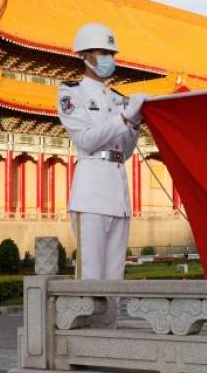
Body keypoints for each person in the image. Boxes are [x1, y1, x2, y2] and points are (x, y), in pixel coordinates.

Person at [57, 22, 147, 292]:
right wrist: (124, 117)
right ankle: (88, 334)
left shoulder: (116, 98)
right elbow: (86, 139)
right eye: (102, 52)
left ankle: (110, 333)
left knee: (114, 278)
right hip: (92, 194)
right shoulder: (72, 93)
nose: (109, 59)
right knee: (91, 277)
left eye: (112, 53)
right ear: (85, 55)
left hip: (119, 196)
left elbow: (126, 152)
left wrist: (133, 125)